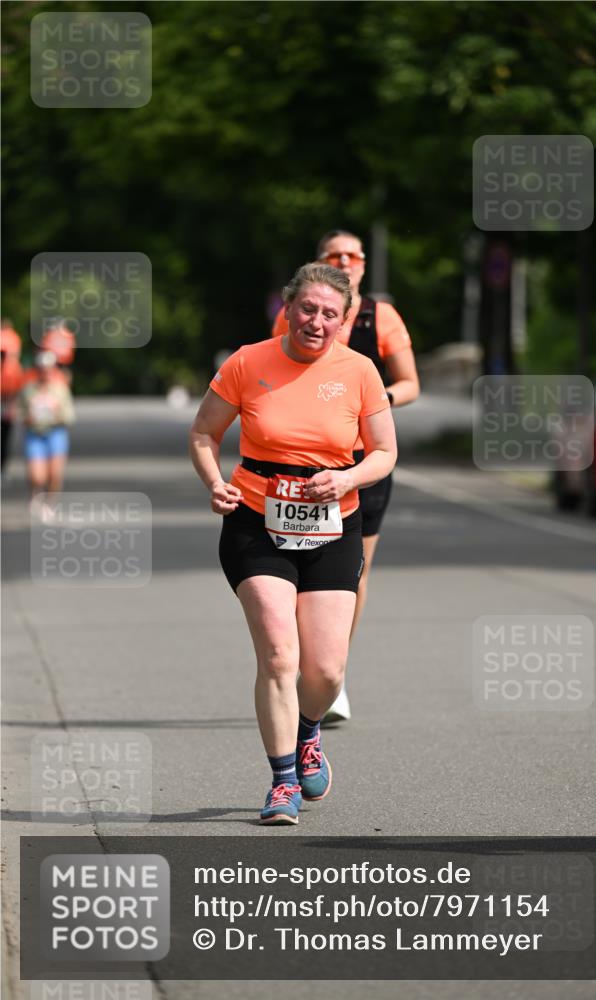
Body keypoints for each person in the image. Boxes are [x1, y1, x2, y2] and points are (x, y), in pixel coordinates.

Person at [190, 263, 397, 825]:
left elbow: (383, 452)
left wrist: (348, 478)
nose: (317, 321)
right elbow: (204, 433)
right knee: (280, 653)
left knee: (326, 671)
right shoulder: (248, 361)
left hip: (333, 524)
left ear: (345, 321)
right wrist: (215, 484)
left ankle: (308, 732)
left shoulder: (359, 371)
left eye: (331, 314)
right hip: (256, 522)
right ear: (288, 308)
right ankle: (282, 781)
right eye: (308, 309)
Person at [272, 230, 419, 722]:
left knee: (350, 572)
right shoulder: (297, 314)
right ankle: (296, 664)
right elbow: (274, 376)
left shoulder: (382, 316)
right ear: (320, 261)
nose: (346, 260)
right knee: (291, 569)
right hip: (302, 464)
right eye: (335, 255)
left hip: (365, 463)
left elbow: (410, 384)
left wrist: (374, 404)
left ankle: (332, 678)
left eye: (353, 255)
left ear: (362, 264)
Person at [19, 350, 75, 517]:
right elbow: (20, 414)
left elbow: (69, 415)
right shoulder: (28, 390)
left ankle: (50, 503)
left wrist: (57, 412)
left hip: (56, 433)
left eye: (48, 368)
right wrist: (28, 417)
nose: (45, 372)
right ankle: (35, 495)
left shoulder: (60, 389)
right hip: (35, 433)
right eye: (42, 368)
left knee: (55, 474)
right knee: (37, 476)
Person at [1, 319, 24, 473]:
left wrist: (12, 407)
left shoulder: (13, 368)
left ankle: (3, 466)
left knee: (5, 437)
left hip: (6, 403)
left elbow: (16, 390)